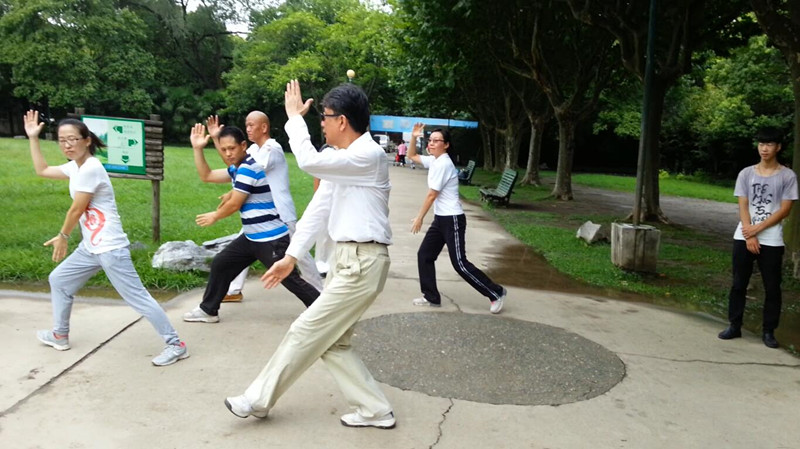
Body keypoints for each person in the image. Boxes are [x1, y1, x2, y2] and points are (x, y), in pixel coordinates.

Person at [224, 80, 396, 429]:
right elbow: (318, 209)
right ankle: (375, 410)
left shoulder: (368, 156)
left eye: (325, 117)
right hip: (348, 262)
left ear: (342, 121)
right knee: (333, 342)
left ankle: (257, 400)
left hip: (362, 263)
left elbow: (307, 161)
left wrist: (293, 118)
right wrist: (290, 257)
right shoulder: (342, 161)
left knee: (305, 329)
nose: (322, 123)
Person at [23, 111, 188, 366]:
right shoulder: (75, 167)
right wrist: (33, 137)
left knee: (138, 298)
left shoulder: (91, 168)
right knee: (59, 280)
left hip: (110, 248)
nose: (67, 145)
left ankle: (176, 344)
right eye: (62, 140)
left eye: (72, 139)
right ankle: (59, 334)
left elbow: (77, 209)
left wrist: (63, 236)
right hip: (91, 247)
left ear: (87, 140)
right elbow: (42, 170)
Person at [182, 125, 319, 323]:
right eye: (224, 149)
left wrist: (215, 216)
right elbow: (207, 175)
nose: (228, 153)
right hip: (251, 237)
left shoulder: (249, 168)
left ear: (243, 145)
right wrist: (197, 148)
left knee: (290, 279)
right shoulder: (237, 168)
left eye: (232, 148)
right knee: (221, 264)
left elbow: (235, 203)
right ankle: (208, 310)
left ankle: (324, 312)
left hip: (270, 238)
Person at [206, 112, 324, 303]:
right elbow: (234, 166)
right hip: (261, 212)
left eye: (252, 125)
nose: (248, 129)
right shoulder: (253, 149)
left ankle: (319, 291)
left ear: (264, 127)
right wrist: (216, 139)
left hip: (280, 213)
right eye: (246, 125)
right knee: (244, 245)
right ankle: (234, 289)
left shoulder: (272, 148)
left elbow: (249, 171)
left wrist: (233, 193)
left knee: (299, 253)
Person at [406, 123, 507, 314]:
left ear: (446, 145)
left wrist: (419, 217)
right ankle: (431, 296)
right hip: (441, 219)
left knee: (459, 263)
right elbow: (411, 156)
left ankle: (496, 292)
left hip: (452, 219)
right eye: (430, 140)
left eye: (436, 141)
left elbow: (432, 195)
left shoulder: (444, 164)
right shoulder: (434, 160)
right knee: (425, 255)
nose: (431, 143)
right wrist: (413, 137)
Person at [718, 127, 797, 348]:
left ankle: (769, 331)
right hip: (744, 235)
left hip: (771, 238)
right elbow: (743, 205)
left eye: (769, 144)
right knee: (738, 283)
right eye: (761, 144)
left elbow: (785, 210)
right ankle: (734, 325)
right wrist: (749, 233)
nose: (764, 148)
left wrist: (757, 229)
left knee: (772, 286)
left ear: (778, 147)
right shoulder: (746, 174)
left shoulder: (787, 176)